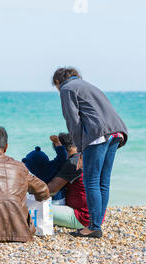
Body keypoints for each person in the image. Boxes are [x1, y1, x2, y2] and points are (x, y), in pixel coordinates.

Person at [52, 67, 128, 238]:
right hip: (117, 131)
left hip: (98, 133)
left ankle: (93, 227)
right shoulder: (89, 86)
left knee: (91, 180)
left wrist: (80, 150)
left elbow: (73, 120)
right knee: (103, 181)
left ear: (58, 82)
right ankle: (96, 223)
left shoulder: (66, 88)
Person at [46, 133, 89, 229]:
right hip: (96, 216)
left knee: (31, 208)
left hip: (81, 218)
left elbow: (51, 189)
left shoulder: (72, 162)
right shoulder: (84, 158)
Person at [22, 135, 68, 204]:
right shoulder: (54, 165)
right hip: (60, 199)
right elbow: (62, 155)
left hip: (45, 202)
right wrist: (57, 142)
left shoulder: (36, 178)